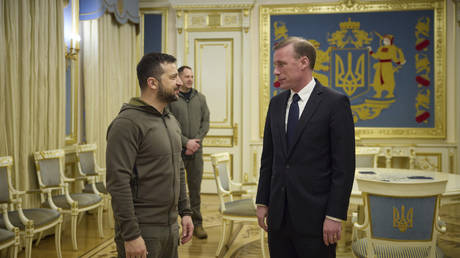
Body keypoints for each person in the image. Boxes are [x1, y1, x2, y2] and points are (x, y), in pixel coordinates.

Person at [256, 37, 355, 258]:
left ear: (303, 62)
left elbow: (344, 167)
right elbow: (268, 159)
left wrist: (334, 216)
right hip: (279, 218)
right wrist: (262, 201)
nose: (275, 71)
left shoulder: (335, 103)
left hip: (317, 220)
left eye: (281, 64)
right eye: (275, 65)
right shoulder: (276, 104)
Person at [106, 52, 194, 258]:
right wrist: (131, 235)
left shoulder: (170, 119)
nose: (180, 82)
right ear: (153, 83)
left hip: (170, 226)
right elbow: (118, 182)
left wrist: (186, 212)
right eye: (173, 77)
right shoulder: (126, 124)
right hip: (143, 230)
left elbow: (178, 167)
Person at [168, 65, 210, 239]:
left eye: (192, 76)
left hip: (196, 152)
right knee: (175, 189)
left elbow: (205, 122)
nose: (190, 79)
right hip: (177, 151)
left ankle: (198, 224)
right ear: (179, 77)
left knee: (195, 189)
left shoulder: (200, 98)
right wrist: (186, 143)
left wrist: (196, 142)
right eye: (186, 76)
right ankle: (175, 225)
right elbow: (170, 123)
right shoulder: (172, 99)